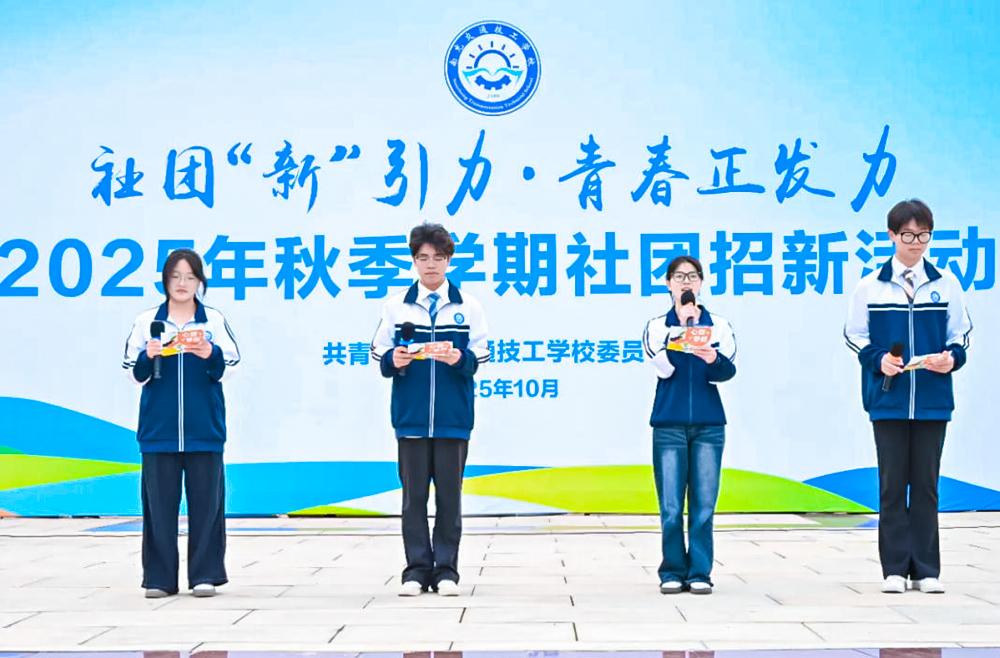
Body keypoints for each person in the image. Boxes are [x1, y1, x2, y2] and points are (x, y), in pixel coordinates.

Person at [845, 199, 972, 594]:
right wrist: (879, 360)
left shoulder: (945, 284)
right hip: (888, 400)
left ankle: (927, 570)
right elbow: (855, 335)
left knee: (926, 486)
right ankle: (895, 570)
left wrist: (951, 359)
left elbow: (960, 335)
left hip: (933, 400)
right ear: (891, 235)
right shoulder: (871, 286)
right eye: (908, 235)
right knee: (892, 485)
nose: (916, 243)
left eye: (923, 235)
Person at [370, 223, 489, 597]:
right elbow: (378, 352)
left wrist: (460, 358)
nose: (431, 264)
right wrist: (395, 358)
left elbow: (481, 354)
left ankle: (447, 571)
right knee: (414, 499)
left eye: (438, 257)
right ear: (414, 261)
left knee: (450, 499)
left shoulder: (468, 306)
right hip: (411, 419)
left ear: (449, 260)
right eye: (423, 258)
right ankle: (416, 571)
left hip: (454, 419)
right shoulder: (396, 306)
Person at [121, 249, 241, 598]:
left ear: (200, 281)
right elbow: (131, 372)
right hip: (158, 431)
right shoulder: (148, 321)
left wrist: (209, 353)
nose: (182, 283)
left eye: (190, 277)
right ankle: (159, 579)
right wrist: (148, 356)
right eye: (175, 276)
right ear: (165, 281)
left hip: (204, 429)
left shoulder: (212, 320)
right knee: (159, 509)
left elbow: (232, 365)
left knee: (207, 506)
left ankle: (205, 575)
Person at [642, 255, 737, 595]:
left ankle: (700, 572)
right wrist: (681, 330)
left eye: (693, 276)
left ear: (701, 284)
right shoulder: (657, 326)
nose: (686, 282)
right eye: (680, 277)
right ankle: (671, 570)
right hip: (669, 424)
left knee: (703, 506)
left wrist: (711, 356)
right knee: (670, 506)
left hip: (709, 426)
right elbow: (664, 368)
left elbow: (726, 371)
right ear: (668, 284)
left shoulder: (718, 326)